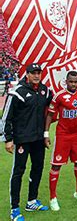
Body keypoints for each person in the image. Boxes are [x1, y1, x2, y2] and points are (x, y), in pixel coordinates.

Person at [2, 63, 53, 221]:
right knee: (18, 172)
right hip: (22, 139)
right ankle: (14, 209)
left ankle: (31, 201)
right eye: (33, 73)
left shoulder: (45, 91)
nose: (36, 76)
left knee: (37, 169)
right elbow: (6, 117)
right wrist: (8, 139)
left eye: (39, 73)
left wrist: (45, 134)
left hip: (38, 139)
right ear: (27, 74)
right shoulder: (17, 92)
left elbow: (54, 105)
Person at [45, 71, 77, 211]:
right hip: (62, 135)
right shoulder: (59, 96)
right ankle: (53, 198)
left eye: (76, 82)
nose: (73, 84)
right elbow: (50, 115)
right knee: (56, 166)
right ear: (66, 81)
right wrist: (46, 133)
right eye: (71, 82)